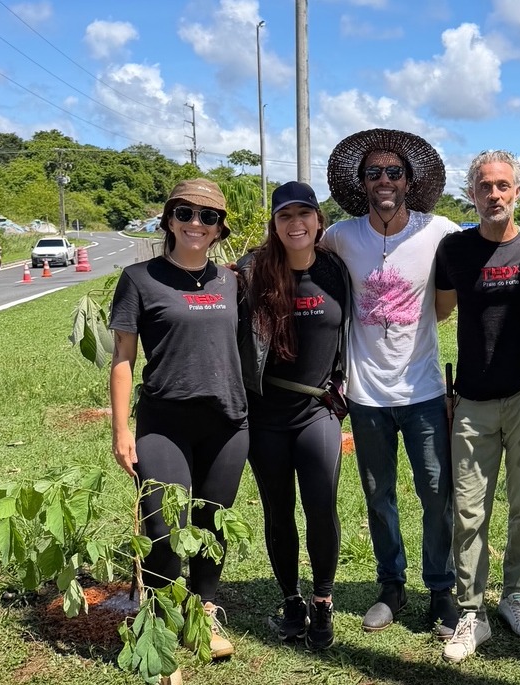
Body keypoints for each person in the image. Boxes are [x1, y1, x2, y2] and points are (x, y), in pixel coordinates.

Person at [322, 128, 460, 638]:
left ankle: (441, 589)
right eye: (374, 172)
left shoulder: (439, 230)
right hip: (366, 394)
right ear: (361, 182)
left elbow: (488, 250)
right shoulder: (342, 234)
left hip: (423, 390)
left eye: (394, 172)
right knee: (378, 495)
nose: (384, 180)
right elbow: (293, 253)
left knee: (435, 492)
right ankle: (391, 585)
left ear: (409, 181)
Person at [109, 179, 246, 678]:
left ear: (218, 229)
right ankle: (162, 621)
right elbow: (123, 359)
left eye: (208, 217)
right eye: (185, 213)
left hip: (228, 423)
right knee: (164, 529)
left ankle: (204, 612)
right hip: (163, 423)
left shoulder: (232, 281)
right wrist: (121, 429)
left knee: (212, 524)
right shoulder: (139, 278)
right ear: (169, 219)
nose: (195, 224)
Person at [434, 150, 520, 662]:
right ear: (472, 192)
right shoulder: (455, 250)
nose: (494, 194)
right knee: (468, 511)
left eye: (503, 185)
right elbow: (443, 309)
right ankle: (472, 612)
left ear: (518, 190)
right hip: (473, 400)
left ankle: (515, 598)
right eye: (485, 185)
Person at [237, 181, 350, 651]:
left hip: (316, 412)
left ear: (318, 221)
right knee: (277, 511)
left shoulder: (336, 270)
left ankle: (322, 601)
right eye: (285, 216)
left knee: (321, 506)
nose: (296, 223)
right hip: (265, 416)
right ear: (275, 224)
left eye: (305, 214)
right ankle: (291, 600)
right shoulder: (250, 272)